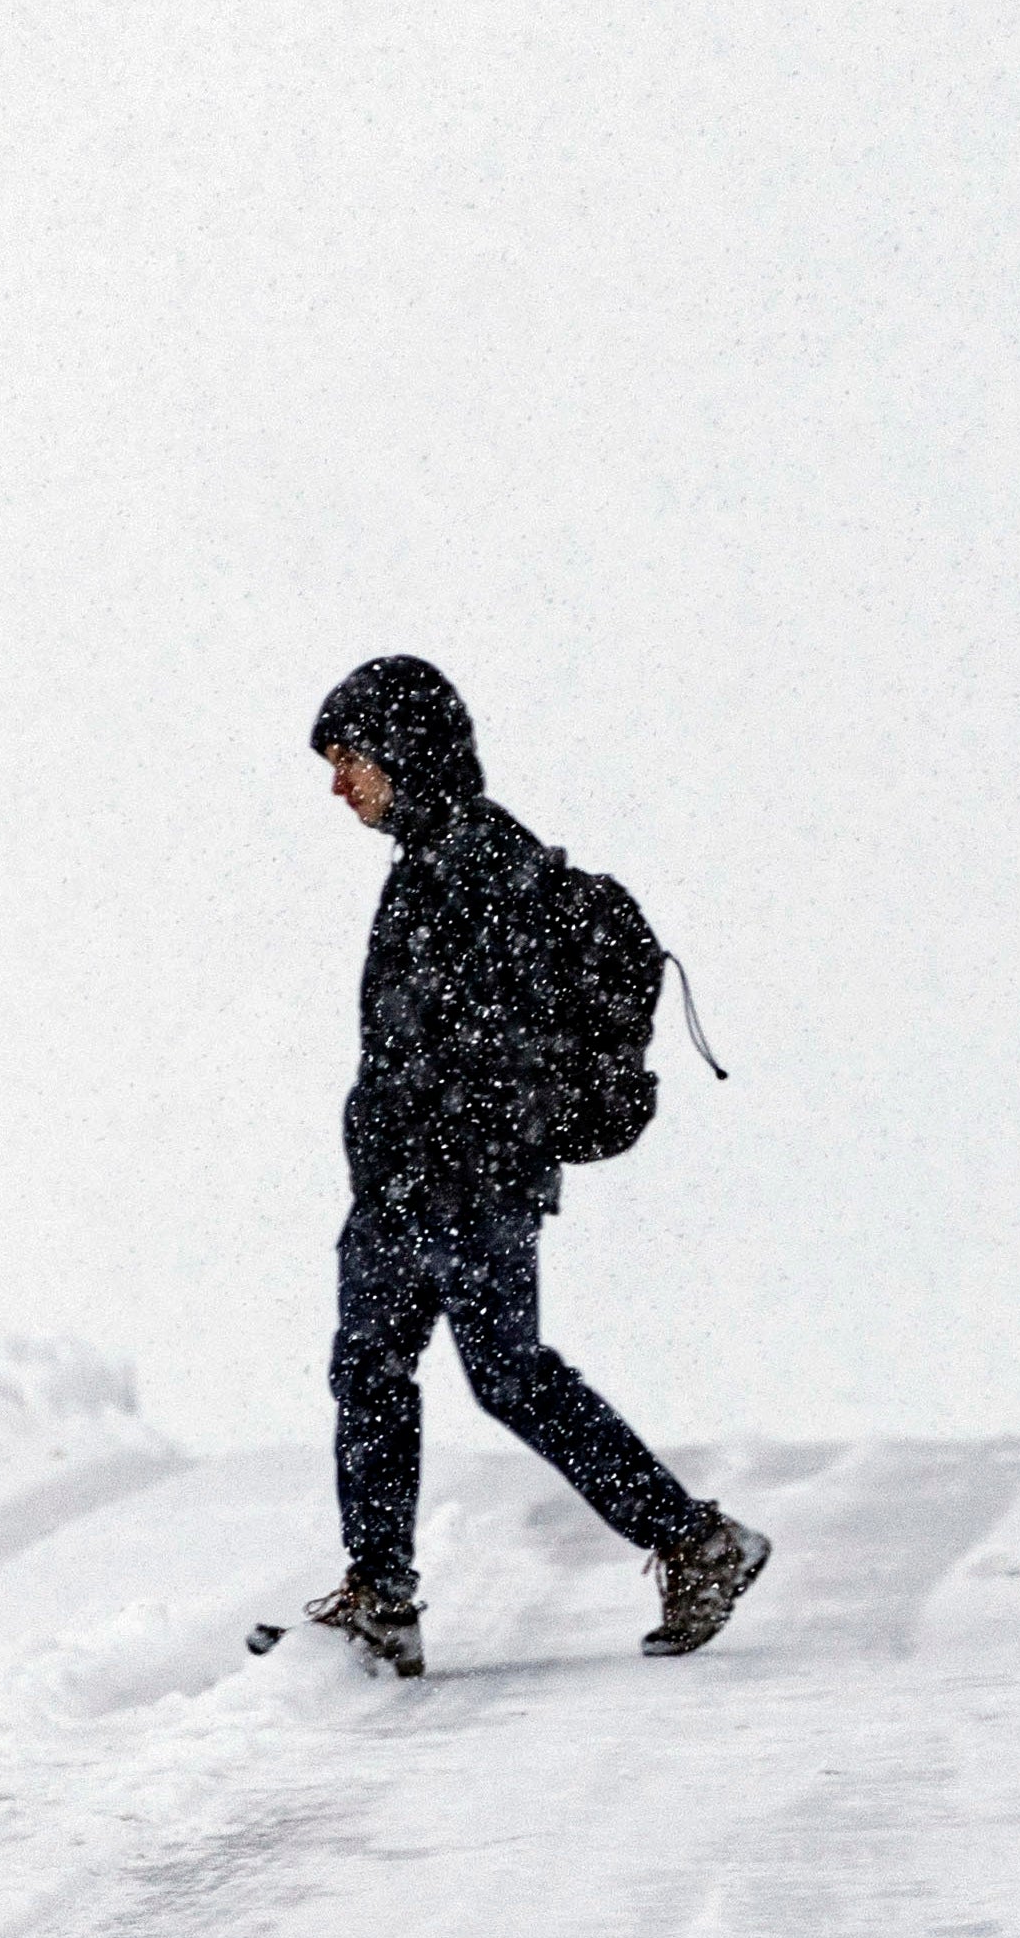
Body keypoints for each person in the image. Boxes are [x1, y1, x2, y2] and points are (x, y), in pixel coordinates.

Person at [290, 653, 770, 1677]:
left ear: (406, 754)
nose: (338, 785)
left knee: (508, 1375)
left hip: (466, 1181)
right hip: (404, 1183)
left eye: (350, 759)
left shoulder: (483, 866)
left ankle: (695, 1541)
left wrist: (457, 1135)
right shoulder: (425, 865)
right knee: (370, 1372)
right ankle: (379, 1596)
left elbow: (494, 1043)